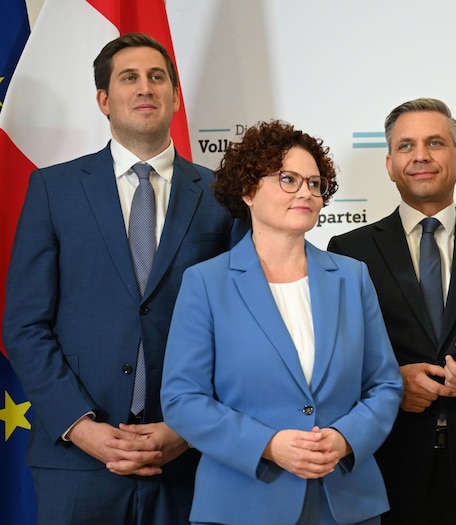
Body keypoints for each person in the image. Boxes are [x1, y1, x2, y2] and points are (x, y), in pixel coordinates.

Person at [2, 33, 244, 525]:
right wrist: (79, 425)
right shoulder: (54, 189)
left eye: (158, 77)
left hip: (188, 459)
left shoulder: (225, 195)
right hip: (75, 460)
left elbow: (240, 328)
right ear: (103, 100)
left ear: (175, 97)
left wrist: (189, 427)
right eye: (128, 77)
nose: (145, 88)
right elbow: (25, 325)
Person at [160, 120, 403, 525]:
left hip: (345, 502)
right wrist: (268, 445)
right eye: (288, 179)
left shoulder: (352, 276)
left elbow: (385, 383)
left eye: (314, 182)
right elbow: (183, 400)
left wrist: (345, 439)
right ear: (248, 190)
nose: (306, 192)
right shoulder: (205, 282)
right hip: (242, 503)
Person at [327, 98, 456, 524]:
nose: (420, 156)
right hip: (388, 468)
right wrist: (391, 382)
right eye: (406, 146)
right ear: (389, 164)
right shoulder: (349, 251)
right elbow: (333, 362)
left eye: (435, 143)